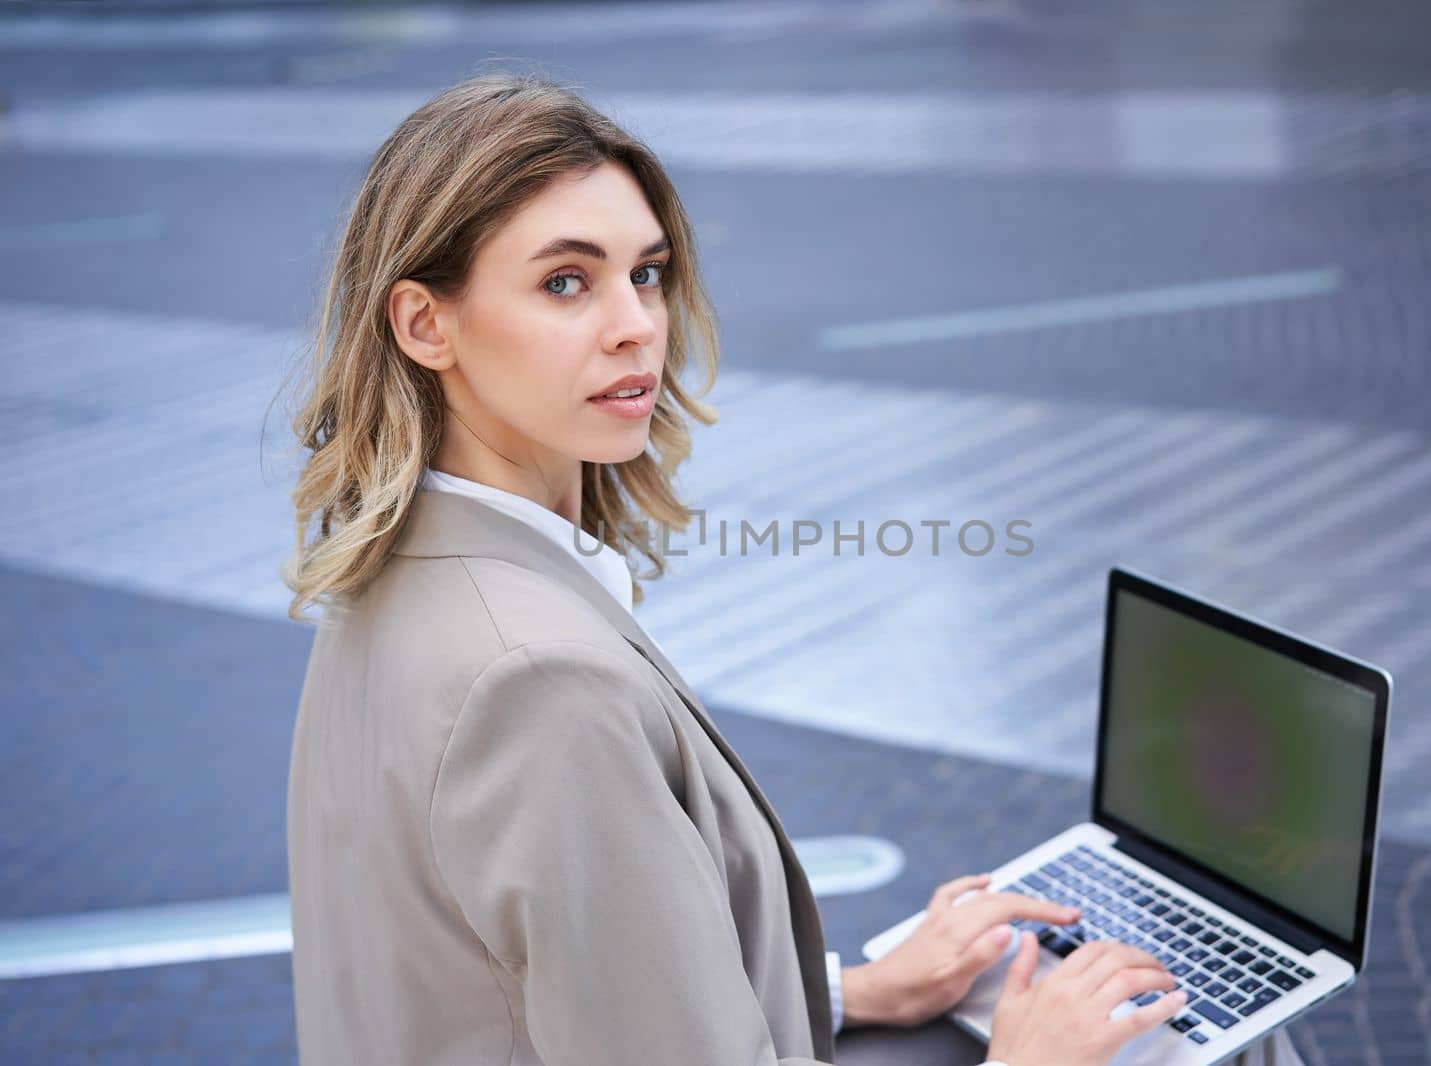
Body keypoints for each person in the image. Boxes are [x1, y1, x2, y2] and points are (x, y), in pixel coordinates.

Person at [281, 72, 1304, 1066]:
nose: (638, 322)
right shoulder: (536, 680)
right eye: (565, 281)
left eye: (646, 271)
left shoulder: (394, 576)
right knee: (1186, 1037)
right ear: (425, 324)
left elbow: (538, 984)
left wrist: (854, 989)